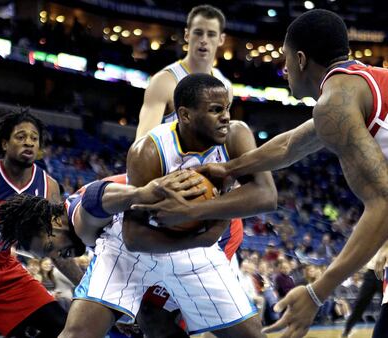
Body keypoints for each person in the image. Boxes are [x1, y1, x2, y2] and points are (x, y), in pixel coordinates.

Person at [147, 9, 388, 338]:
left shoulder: (335, 104)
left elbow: (384, 205)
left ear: (301, 59)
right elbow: (290, 145)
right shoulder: (358, 86)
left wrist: (317, 291)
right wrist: (229, 168)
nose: (283, 68)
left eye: (285, 58)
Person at [126, 73, 276, 337]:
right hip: (165, 239)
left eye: (227, 108)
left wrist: (194, 213)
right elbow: (134, 236)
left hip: (220, 233)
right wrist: (192, 239)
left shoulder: (236, 134)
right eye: (216, 110)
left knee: (247, 332)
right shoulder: (148, 151)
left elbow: (266, 196)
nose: (226, 117)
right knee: (151, 317)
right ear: (184, 115)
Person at [0, 169, 223, 338]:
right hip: (184, 237)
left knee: (153, 318)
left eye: (49, 248)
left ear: (54, 222)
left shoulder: (79, 217)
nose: (57, 255)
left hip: (207, 229)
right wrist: (121, 309)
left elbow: (95, 199)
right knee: (150, 319)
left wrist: (141, 194)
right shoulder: (81, 223)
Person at [0, 111, 68, 337]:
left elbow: (57, 247)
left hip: (5, 271)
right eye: (21, 136)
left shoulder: (48, 187)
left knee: (64, 327)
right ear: (5, 144)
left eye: (34, 138)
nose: (28, 142)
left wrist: (92, 292)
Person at [136, 4, 231, 139]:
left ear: (221, 39)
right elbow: (141, 147)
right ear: (187, 35)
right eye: (198, 33)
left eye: (211, 34)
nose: (204, 40)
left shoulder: (225, 86)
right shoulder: (164, 82)